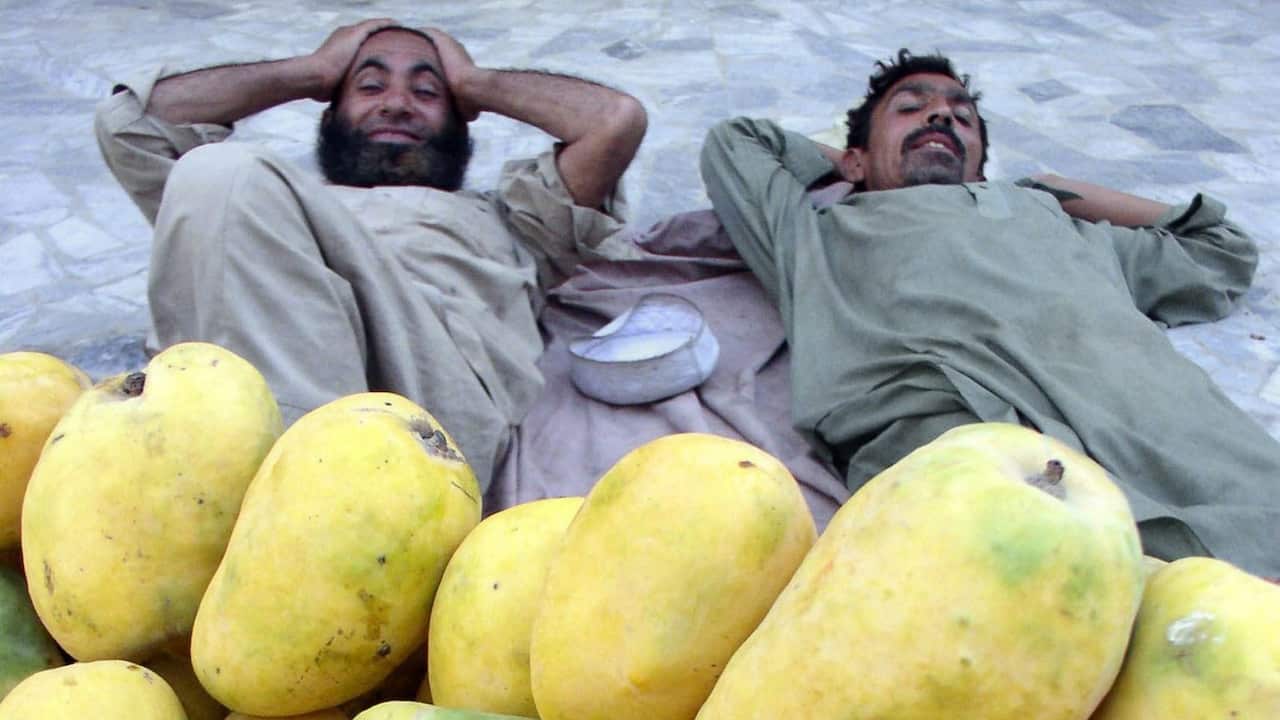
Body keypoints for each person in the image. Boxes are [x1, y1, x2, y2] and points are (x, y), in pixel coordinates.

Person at [700, 49, 1279, 576]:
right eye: (910, 108)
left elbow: (1222, 250)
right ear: (850, 162)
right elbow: (736, 141)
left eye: (962, 118)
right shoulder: (815, 236)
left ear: (980, 165)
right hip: (969, 437)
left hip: (1154, 424)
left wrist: (1053, 189)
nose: (940, 117)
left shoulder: (1054, 221)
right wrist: (864, 165)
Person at [95, 19, 647, 490]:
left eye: (427, 94)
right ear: (330, 114)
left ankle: (297, 502)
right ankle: (292, 498)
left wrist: (472, 82)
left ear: (461, 123)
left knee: (223, 173)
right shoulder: (268, 213)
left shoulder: (515, 217)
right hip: (286, 401)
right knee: (219, 182)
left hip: (427, 416)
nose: (398, 103)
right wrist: (310, 72)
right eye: (370, 86)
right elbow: (132, 126)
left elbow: (612, 121)